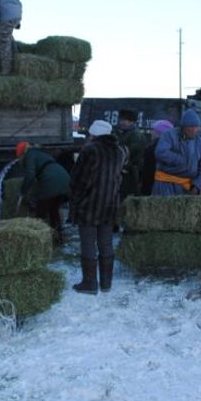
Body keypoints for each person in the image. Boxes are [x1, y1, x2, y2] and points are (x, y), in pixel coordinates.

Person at [69, 120, 125, 294]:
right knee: (106, 243)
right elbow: (118, 178)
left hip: (89, 204)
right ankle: (106, 284)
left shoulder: (89, 150)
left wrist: (75, 202)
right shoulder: (119, 151)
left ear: (93, 134)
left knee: (88, 243)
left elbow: (79, 180)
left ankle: (90, 284)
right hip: (110, 204)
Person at [15, 141, 71, 244]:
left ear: (22, 153)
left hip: (52, 181)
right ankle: (58, 239)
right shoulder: (40, 153)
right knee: (53, 211)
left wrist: (22, 191)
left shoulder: (29, 155)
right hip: (65, 179)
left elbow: (30, 174)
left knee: (40, 213)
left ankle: (38, 242)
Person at [152, 109, 201, 196]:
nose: (194, 130)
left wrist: (197, 185)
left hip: (187, 187)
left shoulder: (200, 143)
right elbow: (161, 152)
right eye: (191, 127)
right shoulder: (169, 135)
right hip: (166, 185)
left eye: (196, 127)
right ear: (183, 126)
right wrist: (181, 160)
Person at [115, 109, 148, 201]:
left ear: (132, 122)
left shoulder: (136, 135)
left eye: (127, 120)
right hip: (121, 171)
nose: (123, 122)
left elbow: (131, 152)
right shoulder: (120, 133)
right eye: (122, 120)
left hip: (131, 173)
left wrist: (125, 166)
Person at [140, 119, 174, 196]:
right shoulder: (174, 148)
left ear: (159, 133)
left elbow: (148, 173)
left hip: (153, 188)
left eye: (154, 131)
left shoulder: (152, 149)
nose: (151, 133)